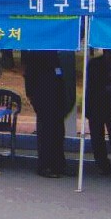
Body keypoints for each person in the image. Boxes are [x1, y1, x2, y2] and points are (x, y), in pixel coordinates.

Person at [22, 50, 68, 178]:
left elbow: (59, 76)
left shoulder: (55, 55)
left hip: (57, 99)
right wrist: (31, 96)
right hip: (43, 98)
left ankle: (59, 164)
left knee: (58, 133)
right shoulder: (36, 54)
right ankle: (45, 166)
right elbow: (28, 76)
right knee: (46, 133)